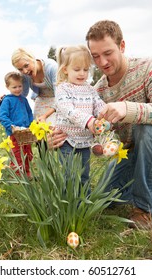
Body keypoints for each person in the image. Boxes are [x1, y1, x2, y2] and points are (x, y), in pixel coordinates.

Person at [48, 20, 152, 230]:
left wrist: (128, 109)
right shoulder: (97, 91)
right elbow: (96, 130)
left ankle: (143, 209)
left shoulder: (147, 68)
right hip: (130, 154)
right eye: (95, 56)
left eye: (108, 52)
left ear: (122, 46)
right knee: (105, 198)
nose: (102, 62)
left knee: (144, 128)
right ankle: (142, 184)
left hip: (148, 143)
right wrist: (57, 136)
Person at [55, 45, 106, 187]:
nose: (82, 74)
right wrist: (88, 120)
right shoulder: (63, 89)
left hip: (84, 141)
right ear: (65, 69)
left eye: (86, 69)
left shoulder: (90, 89)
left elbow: (98, 103)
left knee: (84, 174)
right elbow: (67, 109)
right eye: (77, 70)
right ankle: (69, 204)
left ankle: (83, 202)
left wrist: (104, 113)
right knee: (69, 175)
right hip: (67, 140)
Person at [0, 71, 33, 178]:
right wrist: (12, 127)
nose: (18, 89)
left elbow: (29, 113)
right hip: (14, 133)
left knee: (28, 153)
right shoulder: (7, 100)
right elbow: (2, 117)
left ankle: (26, 172)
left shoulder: (24, 100)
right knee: (17, 154)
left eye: (20, 86)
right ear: (7, 87)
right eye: (14, 87)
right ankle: (17, 175)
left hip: (25, 132)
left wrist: (31, 124)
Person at [11, 48, 58, 124]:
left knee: (52, 130)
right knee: (38, 129)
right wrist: (7, 98)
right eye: (20, 69)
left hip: (57, 101)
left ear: (32, 58)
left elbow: (60, 97)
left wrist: (45, 116)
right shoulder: (24, 75)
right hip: (40, 100)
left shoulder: (52, 68)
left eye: (26, 65)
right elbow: (22, 94)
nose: (25, 71)